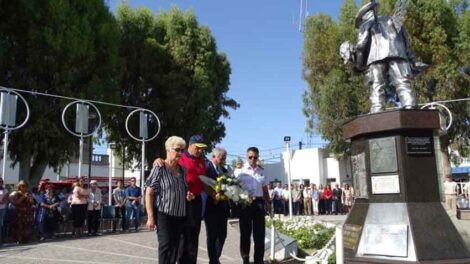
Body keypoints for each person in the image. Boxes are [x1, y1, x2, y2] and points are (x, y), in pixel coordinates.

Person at [341, 0, 417, 113]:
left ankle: (377, 111)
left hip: (376, 58)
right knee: (402, 82)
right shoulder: (392, 20)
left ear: (363, 17)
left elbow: (361, 45)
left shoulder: (365, 24)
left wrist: (359, 66)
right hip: (398, 55)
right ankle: (410, 107)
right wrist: (411, 60)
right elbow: (406, 40)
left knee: (377, 86)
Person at [153, 134, 208, 264]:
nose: (200, 151)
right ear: (191, 145)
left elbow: (204, 181)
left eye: (202, 148)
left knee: (193, 236)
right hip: (180, 202)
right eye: (198, 148)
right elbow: (166, 162)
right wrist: (158, 159)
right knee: (181, 237)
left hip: (196, 200)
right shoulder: (180, 157)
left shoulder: (202, 161)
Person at [146, 136, 195, 264]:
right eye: (177, 150)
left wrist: (189, 195)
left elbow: (184, 190)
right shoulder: (160, 167)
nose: (180, 153)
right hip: (164, 214)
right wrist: (150, 217)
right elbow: (149, 192)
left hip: (179, 215)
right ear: (168, 150)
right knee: (165, 245)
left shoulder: (183, 170)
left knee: (175, 247)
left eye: (182, 150)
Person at [236, 147, 270, 264]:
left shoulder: (262, 171)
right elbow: (235, 188)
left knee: (259, 234)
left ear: (258, 157)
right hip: (245, 204)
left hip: (259, 203)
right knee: (245, 234)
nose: (252, 159)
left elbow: (265, 189)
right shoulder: (240, 171)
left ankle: (258, 260)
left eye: (255, 157)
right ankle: (245, 259)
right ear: (247, 157)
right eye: (250, 157)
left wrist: (269, 203)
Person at [203, 147, 230, 264]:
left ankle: (215, 258)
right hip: (211, 207)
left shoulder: (224, 170)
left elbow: (229, 185)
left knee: (222, 235)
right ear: (213, 157)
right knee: (212, 235)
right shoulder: (206, 169)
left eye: (224, 158)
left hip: (223, 207)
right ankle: (213, 260)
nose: (223, 160)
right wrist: (214, 195)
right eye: (221, 158)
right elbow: (205, 185)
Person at [0, 178, 9, 244]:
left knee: (1, 223)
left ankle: (1, 239)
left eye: (1, 182)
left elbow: (6, 199)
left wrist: (2, 202)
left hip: (1, 208)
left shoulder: (4, 190)